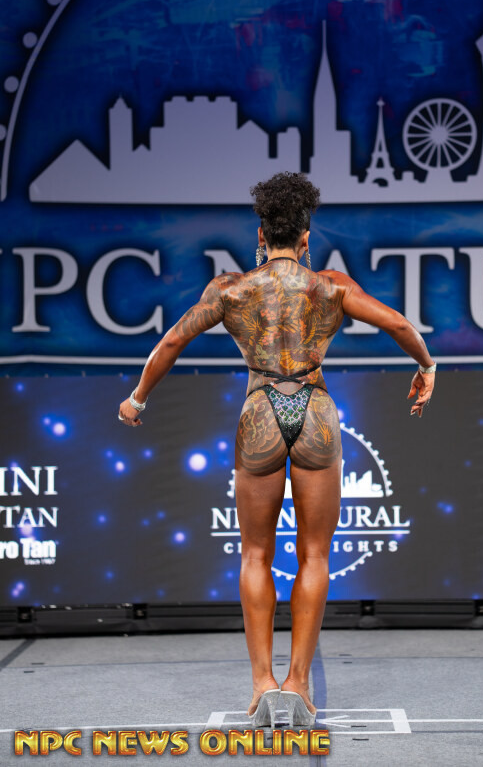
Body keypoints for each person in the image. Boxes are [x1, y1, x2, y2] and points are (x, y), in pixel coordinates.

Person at [118, 171, 435, 729]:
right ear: (306, 236)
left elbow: (171, 341)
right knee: (314, 554)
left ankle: (263, 683)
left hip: (260, 410)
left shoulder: (231, 289)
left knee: (254, 555)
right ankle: (300, 685)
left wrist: (137, 397)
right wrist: (426, 367)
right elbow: (399, 324)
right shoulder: (331, 286)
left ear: (261, 234)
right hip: (315, 413)